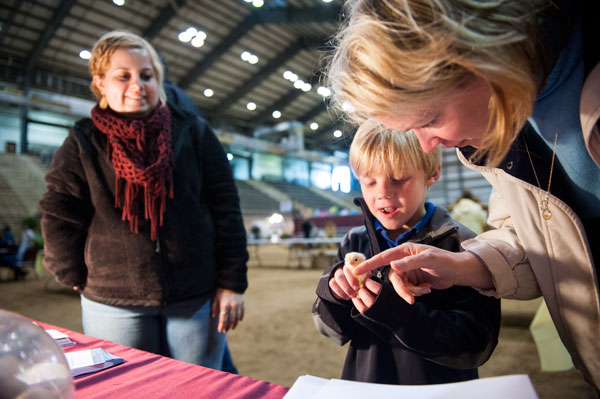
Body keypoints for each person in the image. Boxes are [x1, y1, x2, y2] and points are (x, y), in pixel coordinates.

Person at [327, 0, 600, 391]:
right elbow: (534, 239)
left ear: (483, 56)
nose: (425, 144)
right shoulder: (502, 133)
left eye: (430, 118)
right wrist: (466, 266)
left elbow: (472, 342)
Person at [39, 30, 248, 369]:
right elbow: (59, 210)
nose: (137, 84)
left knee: (197, 390)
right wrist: (72, 272)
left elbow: (226, 207)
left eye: (146, 75)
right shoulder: (83, 140)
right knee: (130, 389)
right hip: (113, 300)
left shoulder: (193, 131)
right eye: (123, 76)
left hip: (194, 296)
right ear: (100, 83)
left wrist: (232, 282)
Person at [312, 119, 500, 385]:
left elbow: (475, 346)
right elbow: (331, 331)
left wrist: (397, 315)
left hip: (438, 388)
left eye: (398, 179)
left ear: (433, 173)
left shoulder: (464, 245)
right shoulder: (353, 242)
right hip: (367, 383)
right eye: (369, 182)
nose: (383, 194)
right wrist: (333, 292)